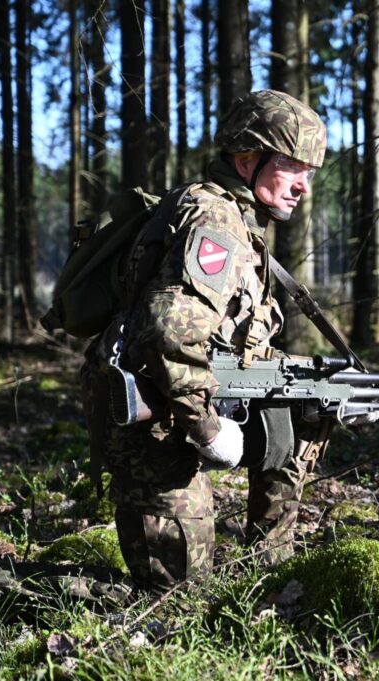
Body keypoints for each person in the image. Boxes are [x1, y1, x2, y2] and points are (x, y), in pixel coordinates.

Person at [81, 90, 332, 590]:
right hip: (155, 415)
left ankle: (269, 568)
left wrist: (321, 391)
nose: (304, 185)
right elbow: (167, 333)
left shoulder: (233, 219)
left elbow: (228, 338)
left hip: (176, 398)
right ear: (246, 160)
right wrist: (207, 428)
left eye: (311, 170)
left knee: (302, 414)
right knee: (177, 594)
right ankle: (20, 586)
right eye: (294, 166)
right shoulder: (217, 222)